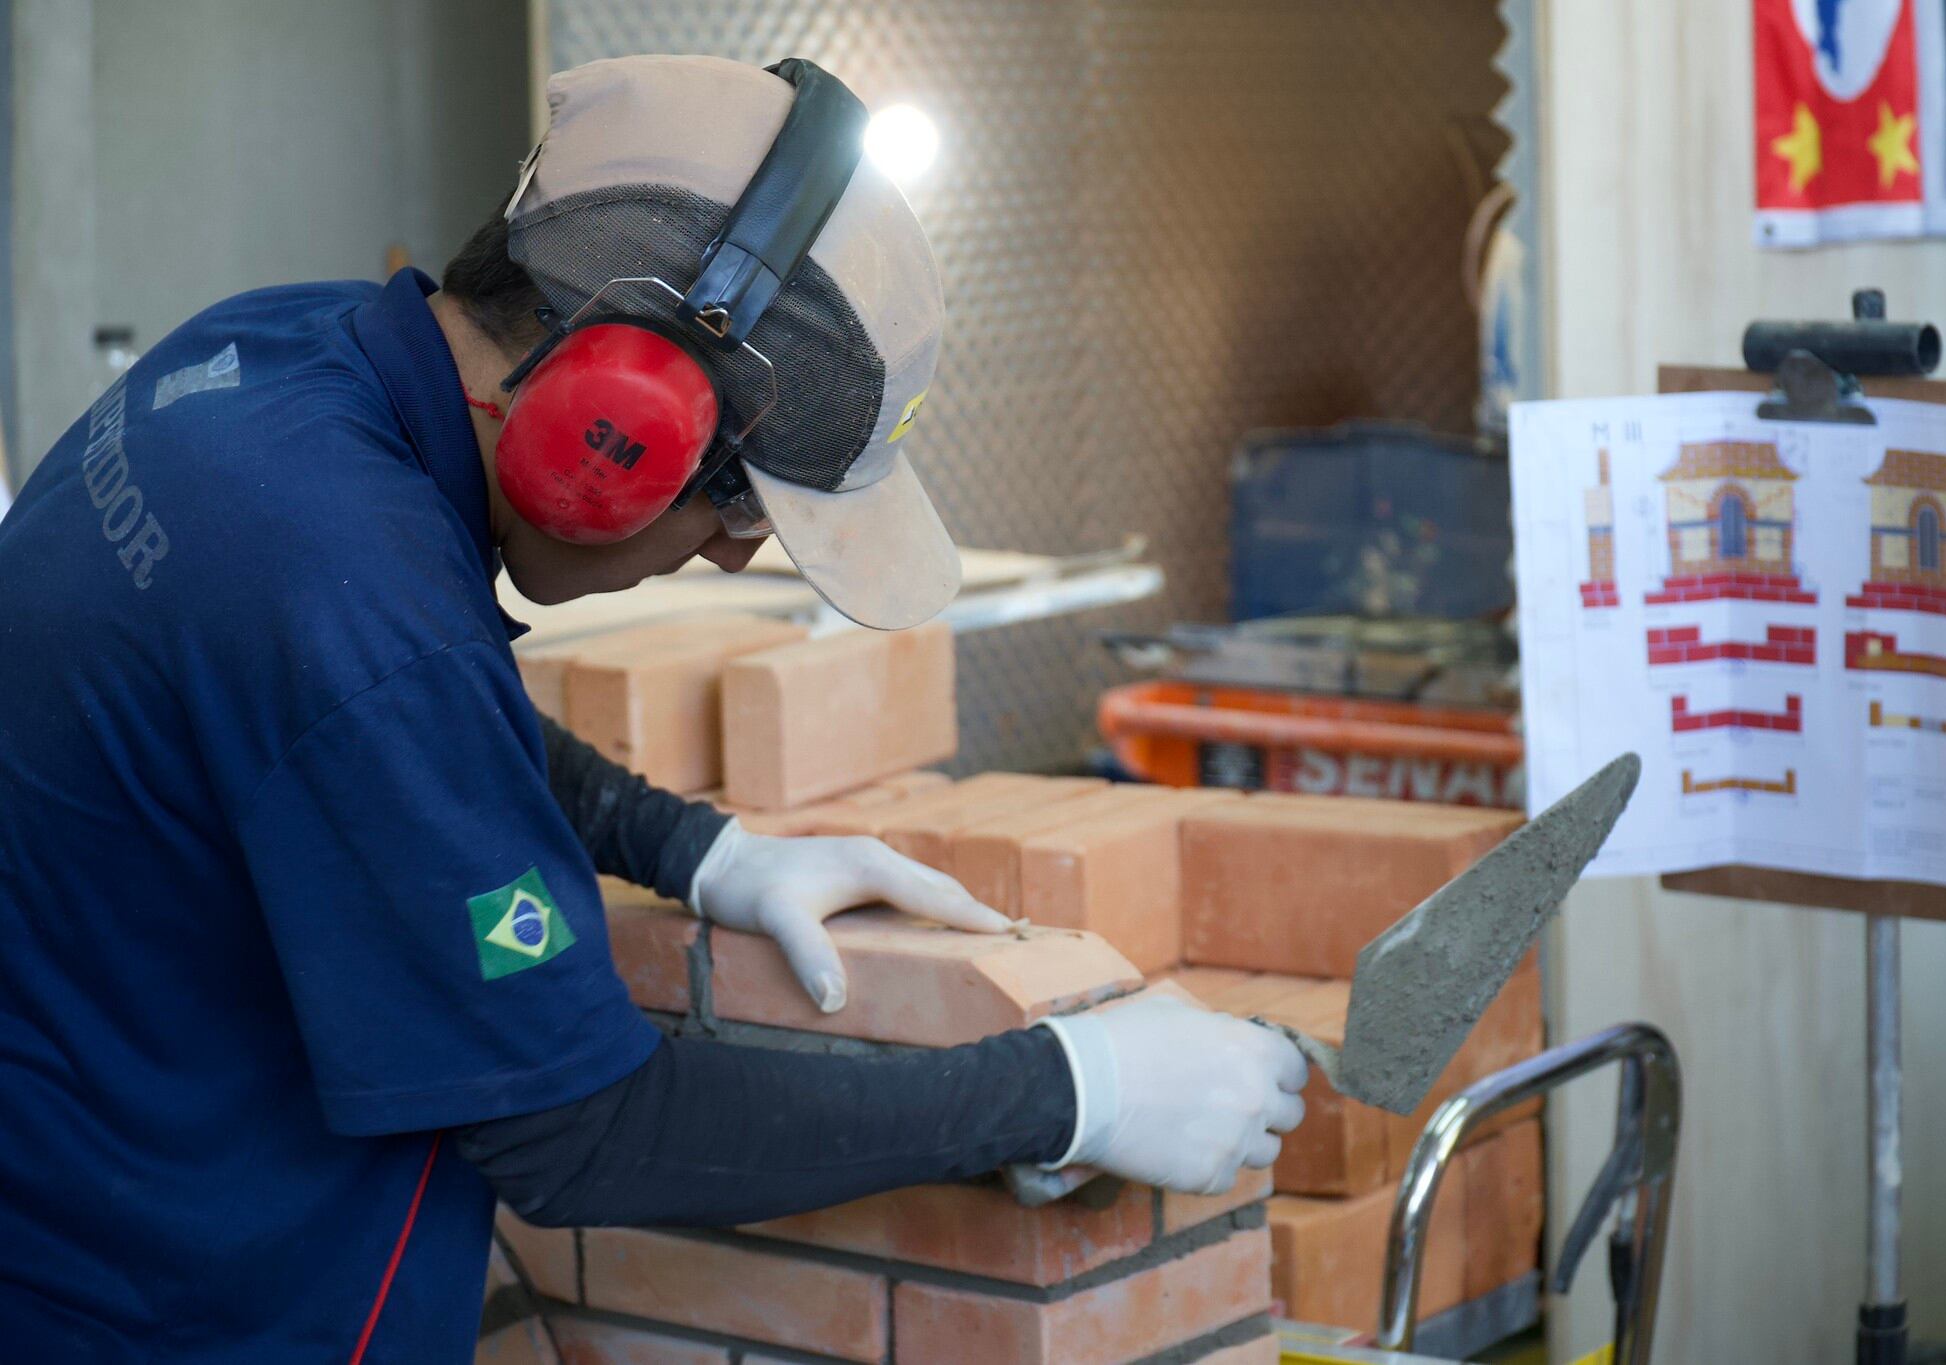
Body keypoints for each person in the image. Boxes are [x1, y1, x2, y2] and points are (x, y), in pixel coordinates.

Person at [0, 54, 1307, 1362]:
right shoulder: (349, 598)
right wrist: (1069, 1091)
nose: (740, 553)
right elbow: (583, 1130)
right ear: (605, 427)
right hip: (163, 1313)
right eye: (740, 500)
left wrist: (702, 852)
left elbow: (383, 735)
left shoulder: (275, 356)